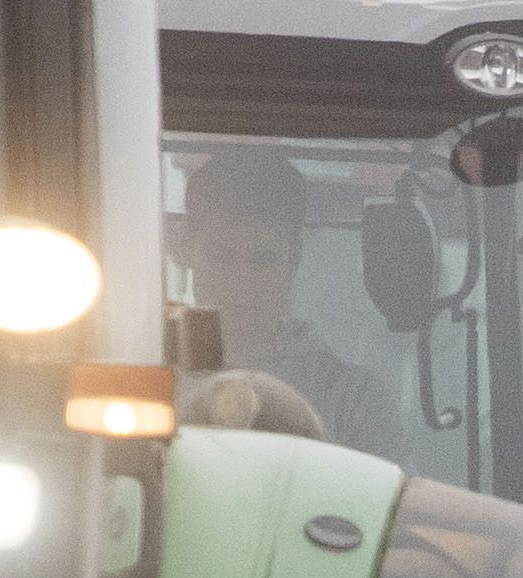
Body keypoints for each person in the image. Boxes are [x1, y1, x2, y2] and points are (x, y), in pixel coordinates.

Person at [171, 140, 420, 462]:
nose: (242, 280)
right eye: (222, 256)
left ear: (294, 258)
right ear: (189, 252)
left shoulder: (352, 403)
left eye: (263, 259)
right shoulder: (143, 389)